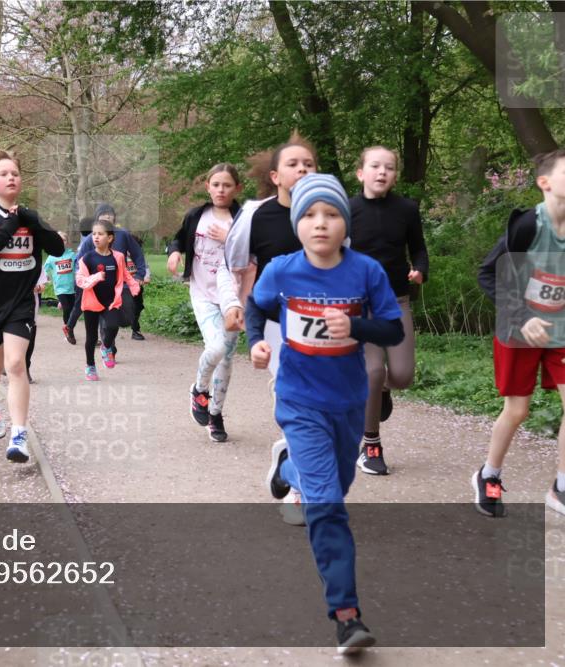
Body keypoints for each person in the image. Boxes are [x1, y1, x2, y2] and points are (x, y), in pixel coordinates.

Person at [252, 174, 403, 654]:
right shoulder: (282, 270)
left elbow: (393, 331)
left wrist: (354, 324)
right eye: (311, 214)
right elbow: (258, 307)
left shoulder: (365, 272)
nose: (321, 223)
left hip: (348, 402)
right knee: (327, 506)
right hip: (298, 401)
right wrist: (256, 339)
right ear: (298, 224)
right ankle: (347, 615)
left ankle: (286, 467)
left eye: (332, 214)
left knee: (335, 484)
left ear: (345, 223)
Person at [220, 132, 317, 521]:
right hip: (278, 325)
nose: (303, 170)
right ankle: (298, 488)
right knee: (295, 405)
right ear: (275, 176)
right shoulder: (255, 216)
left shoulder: (330, 211)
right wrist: (235, 306)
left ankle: (290, 459)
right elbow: (233, 266)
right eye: (294, 164)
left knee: (320, 408)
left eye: (309, 164)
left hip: (324, 325)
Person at [475, 148, 565, 518]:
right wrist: (522, 315)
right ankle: (489, 474)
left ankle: (561, 488)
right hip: (518, 328)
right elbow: (489, 275)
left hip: (560, 330)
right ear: (544, 183)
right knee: (517, 410)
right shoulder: (528, 225)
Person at [0, 149, 64, 463]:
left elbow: (58, 248)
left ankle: (19, 435)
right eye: (4, 173)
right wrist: (9, 226)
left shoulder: (29, 216)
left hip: (21, 302)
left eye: (16, 174)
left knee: (17, 365)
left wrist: (36, 222)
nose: (11, 177)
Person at [349, 146, 430, 475]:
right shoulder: (347, 209)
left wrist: (420, 269)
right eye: (375, 166)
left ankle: (382, 391)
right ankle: (370, 445)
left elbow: (419, 248)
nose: (382, 172)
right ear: (361, 173)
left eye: (389, 168)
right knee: (372, 371)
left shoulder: (407, 210)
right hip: (359, 304)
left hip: (396, 301)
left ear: (395, 175)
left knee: (402, 376)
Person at [167, 163, 245, 442]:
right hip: (201, 292)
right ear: (208, 187)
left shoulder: (243, 218)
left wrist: (231, 238)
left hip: (234, 296)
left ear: (237, 188)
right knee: (216, 348)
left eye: (227, 185)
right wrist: (175, 253)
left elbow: (256, 253)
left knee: (227, 357)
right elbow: (178, 240)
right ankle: (200, 389)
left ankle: (216, 414)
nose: (221, 190)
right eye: (216, 184)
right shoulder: (196, 215)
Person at [65, 204, 146, 351]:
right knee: (106, 318)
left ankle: (111, 337)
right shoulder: (92, 238)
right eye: (103, 215)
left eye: (110, 215)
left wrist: (140, 274)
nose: (107, 217)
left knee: (127, 316)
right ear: (97, 219)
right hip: (99, 284)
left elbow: (137, 253)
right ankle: (109, 346)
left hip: (121, 283)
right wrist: (84, 280)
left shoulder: (123, 234)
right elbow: (80, 261)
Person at [75, 220, 141, 381]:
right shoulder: (87, 258)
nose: (96, 237)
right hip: (92, 302)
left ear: (110, 238)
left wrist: (134, 286)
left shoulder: (118, 257)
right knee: (91, 337)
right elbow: (80, 280)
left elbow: (125, 274)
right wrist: (96, 277)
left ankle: (106, 346)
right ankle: (90, 366)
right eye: (94, 234)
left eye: (100, 234)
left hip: (111, 300)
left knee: (112, 326)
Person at [44, 231, 78, 335]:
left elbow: (79, 267)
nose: (61, 241)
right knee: (67, 308)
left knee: (72, 310)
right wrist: (46, 278)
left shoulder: (72, 255)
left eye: (63, 239)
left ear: (67, 242)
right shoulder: (52, 257)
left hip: (71, 287)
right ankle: (68, 330)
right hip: (59, 288)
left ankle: (60, 305)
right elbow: (44, 269)